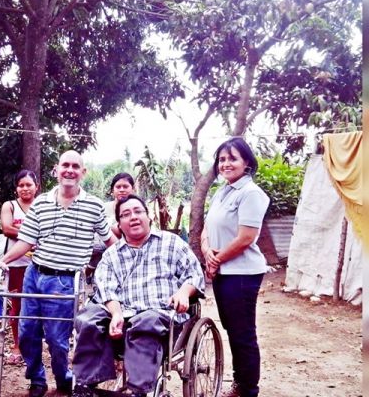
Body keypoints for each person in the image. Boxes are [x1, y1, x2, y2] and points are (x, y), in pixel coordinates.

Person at [0, 150, 118, 397]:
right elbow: (26, 241)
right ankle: (37, 380)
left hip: (65, 280)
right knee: (27, 332)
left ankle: (63, 379)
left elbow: (109, 240)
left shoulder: (93, 206)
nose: (69, 170)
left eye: (75, 166)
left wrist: (132, 256)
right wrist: (2, 261)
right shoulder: (41, 203)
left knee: (56, 339)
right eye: (65, 165)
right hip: (34, 275)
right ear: (56, 170)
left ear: (83, 172)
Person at [72, 194, 205, 397]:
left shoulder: (172, 243)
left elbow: (194, 274)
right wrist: (116, 314)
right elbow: (107, 289)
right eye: (126, 214)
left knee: (145, 321)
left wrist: (183, 292)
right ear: (119, 224)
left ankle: (139, 390)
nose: (133, 217)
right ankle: (86, 385)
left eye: (137, 211)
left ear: (148, 216)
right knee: (87, 317)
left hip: (159, 314)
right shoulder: (111, 255)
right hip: (120, 315)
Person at [201, 137, 269, 397]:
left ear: (247, 162)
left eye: (232, 158)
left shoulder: (251, 194)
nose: (226, 164)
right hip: (223, 273)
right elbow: (207, 228)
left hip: (242, 274)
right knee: (232, 329)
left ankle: (248, 389)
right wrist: (207, 252)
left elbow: (246, 238)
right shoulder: (223, 191)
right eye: (222, 159)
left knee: (243, 334)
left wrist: (215, 260)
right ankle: (240, 383)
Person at [0, 169, 40, 365]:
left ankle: (35, 345)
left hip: (39, 264)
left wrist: (23, 233)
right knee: (16, 307)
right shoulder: (10, 206)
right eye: (21, 185)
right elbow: (6, 228)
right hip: (16, 264)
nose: (25, 188)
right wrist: (33, 235)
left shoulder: (42, 206)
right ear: (16, 188)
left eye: (29, 185)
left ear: (36, 187)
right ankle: (17, 345)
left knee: (37, 306)